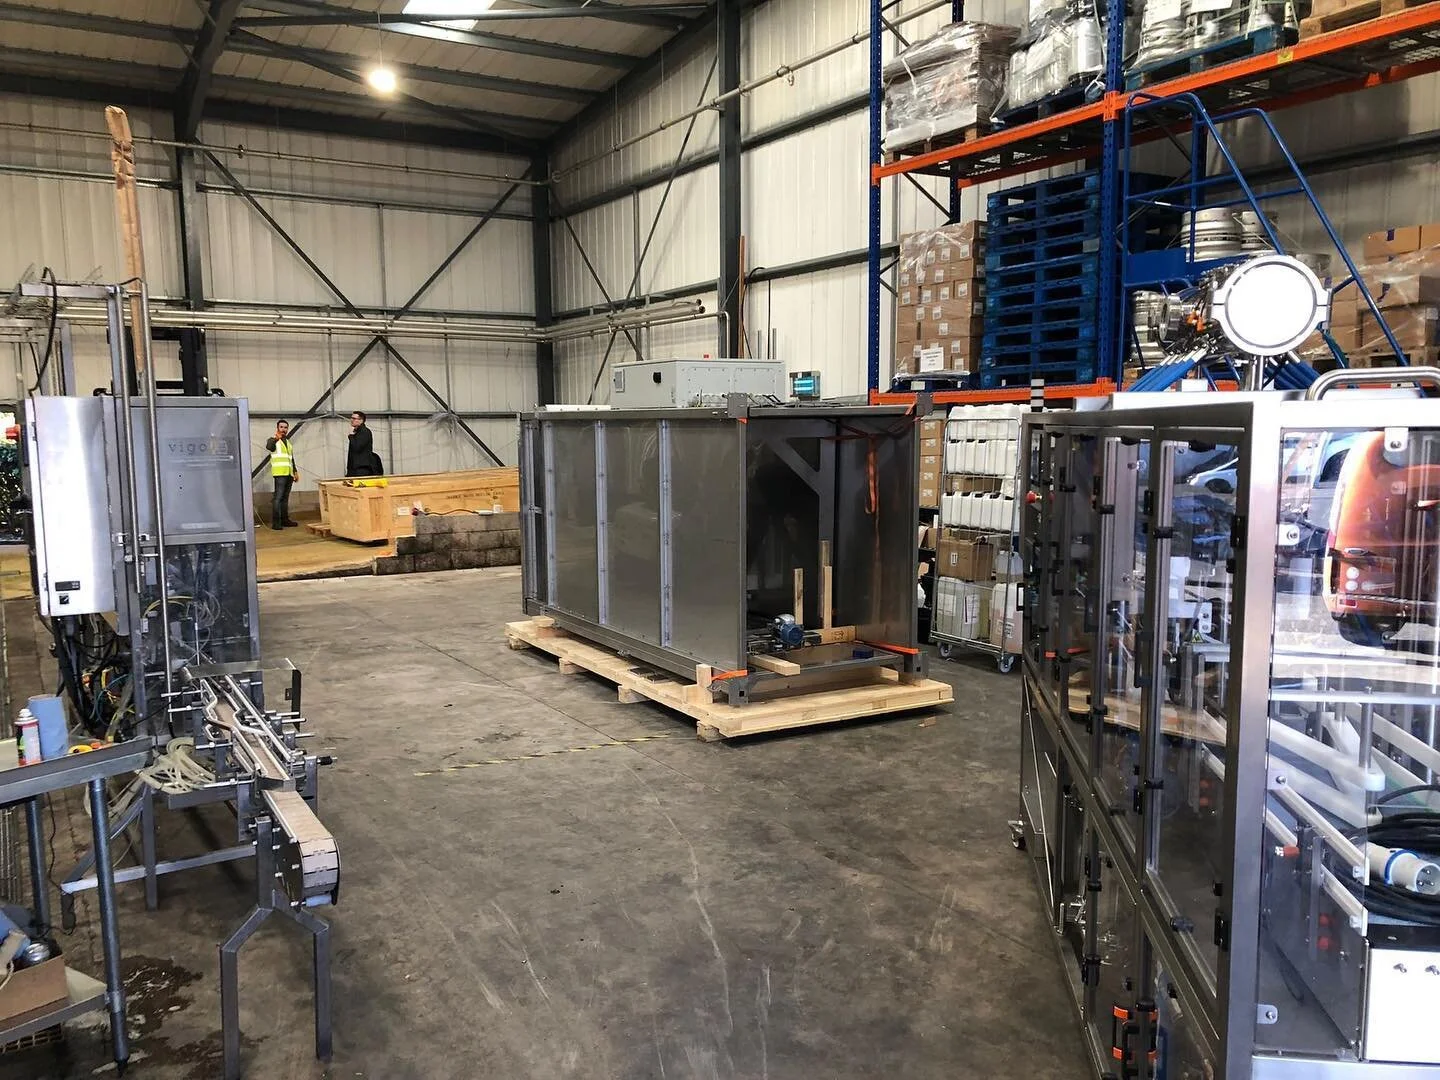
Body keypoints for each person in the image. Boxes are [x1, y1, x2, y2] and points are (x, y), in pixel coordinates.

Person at [265, 420, 299, 529]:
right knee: (278, 498)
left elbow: (291, 458)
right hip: (279, 473)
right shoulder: (273, 440)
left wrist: (295, 471)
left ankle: (285, 520)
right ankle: (276, 523)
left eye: (285, 427)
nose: (283, 429)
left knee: (285, 498)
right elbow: (269, 447)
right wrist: (276, 438)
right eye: (281, 427)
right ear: (277, 428)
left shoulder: (288, 442)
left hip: (289, 473)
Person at [345, 410, 379, 478]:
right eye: (351, 418)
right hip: (354, 469)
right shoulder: (357, 432)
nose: (351, 420)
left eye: (354, 418)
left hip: (361, 469)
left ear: (361, 420)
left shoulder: (364, 432)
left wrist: (351, 436)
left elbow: (357, 447)